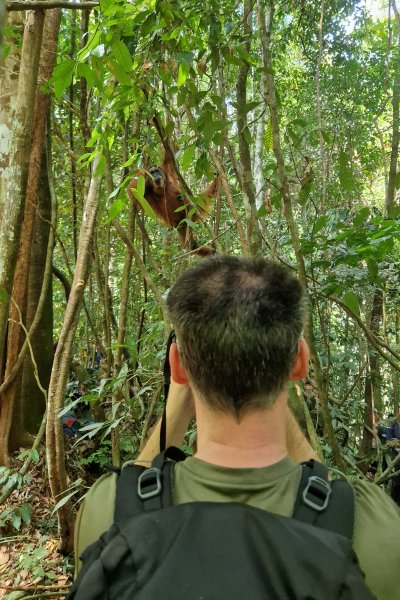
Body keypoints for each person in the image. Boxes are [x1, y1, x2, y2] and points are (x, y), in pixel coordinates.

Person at [74, 256, 399, 599]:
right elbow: (329, 503)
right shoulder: (373, 526)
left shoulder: (106, 511)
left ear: (177, 367)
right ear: (300, 362)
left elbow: (132, 493)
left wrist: (181, 398)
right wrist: (268, 381)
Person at [386, 408, 400, 505]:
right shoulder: (392, 424)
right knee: (396, 482)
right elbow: (388, 442)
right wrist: (397, 443)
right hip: (396, 457)